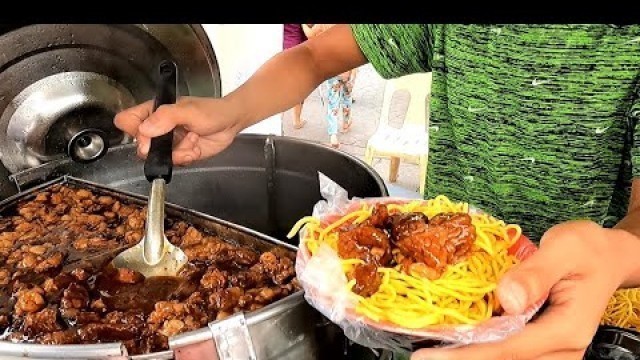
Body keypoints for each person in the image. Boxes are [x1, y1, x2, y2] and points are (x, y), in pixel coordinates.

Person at [115, 25, 640, 360]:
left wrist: (616, 256)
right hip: (423, 313)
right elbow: (317, 56)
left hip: (578, 323)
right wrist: (230, 112)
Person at [305, 24, 356, 147]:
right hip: (349, 65)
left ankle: (333, 136)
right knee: (347, 96)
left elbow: (310, 35)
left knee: (333, 102)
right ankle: (346, 123)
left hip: (332, 67)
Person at [282, 24, 308, 129]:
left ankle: (278, 119)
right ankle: (297, 120)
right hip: (298, 49)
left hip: (282, 47)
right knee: (300, 86)